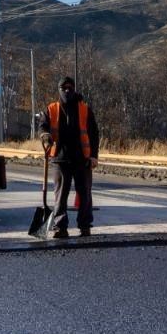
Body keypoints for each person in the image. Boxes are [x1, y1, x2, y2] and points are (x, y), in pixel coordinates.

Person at [39, 76, 100, 238]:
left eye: (70, 88)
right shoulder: (51, 109)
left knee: (85, 195)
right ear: (59, 90)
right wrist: (45, 136)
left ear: (74, 89)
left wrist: (94, 156)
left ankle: (85, 226)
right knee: (60, 196)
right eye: (63, 88)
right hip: (60, 160)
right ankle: (60, 227)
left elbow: (94, 134)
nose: (67, 91)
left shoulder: (84, 109)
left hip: (82, 160)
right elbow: (43, 126)